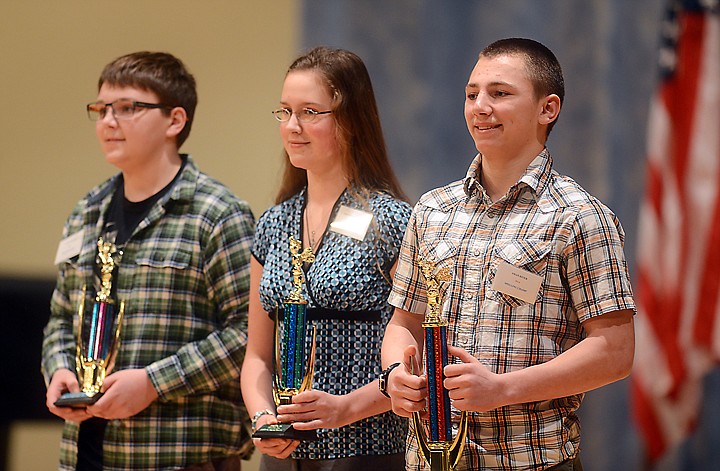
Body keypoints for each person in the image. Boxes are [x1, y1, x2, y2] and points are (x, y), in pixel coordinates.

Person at [381, 38, 636, 470]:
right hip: (429, 459)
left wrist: (502, 388)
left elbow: (614, 350)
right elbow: (404, 323)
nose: (480, 106)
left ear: (547, 109)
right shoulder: (432, 209)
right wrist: (394, 376)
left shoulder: (579, 217)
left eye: (499, 93)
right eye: (471, 93)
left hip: (530, 460)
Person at [41, 51, 255, 471]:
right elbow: (60, 319)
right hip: (87, 449)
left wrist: (155, 383)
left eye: (127, 108)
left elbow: (251, 335)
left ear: (175, 121)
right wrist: (59, 369)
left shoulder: (217, 213)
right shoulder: (88, 210)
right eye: (101, 109)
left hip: (176, 453)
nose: (108, 121)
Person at [240, 46, 411, 470]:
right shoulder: (274, 223)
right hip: (285, 453)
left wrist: (346, 408)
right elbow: (257, 356)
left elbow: (418, 352)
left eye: (311, 112)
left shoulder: (391, 220)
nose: (293, 126)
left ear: (350, 120)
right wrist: (263, 417)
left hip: (367, 448)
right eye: (285, 112)